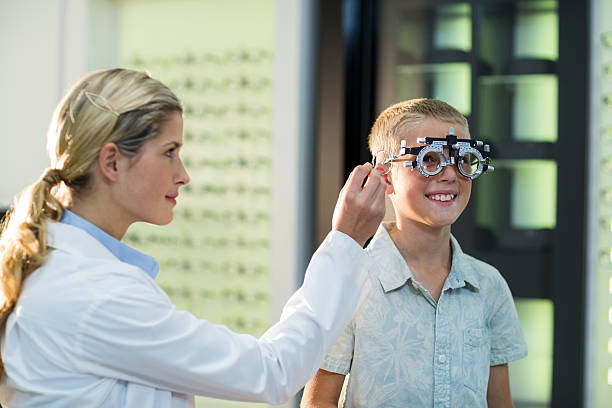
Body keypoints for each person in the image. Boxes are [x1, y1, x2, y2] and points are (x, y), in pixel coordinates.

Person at [0, 68, 386, 407]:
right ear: (112, 161)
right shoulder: (93, 295)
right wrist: (346, 241)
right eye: (169, 152)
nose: (182, 174)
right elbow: (272, 372)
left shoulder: (73, 271)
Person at [301, 98, 527, 408]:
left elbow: (500, 402)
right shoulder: (350, 283)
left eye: (462, 159)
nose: (449, 174)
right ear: (386, 177)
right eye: (430, 159)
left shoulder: (489, 286)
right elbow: (318, 402)